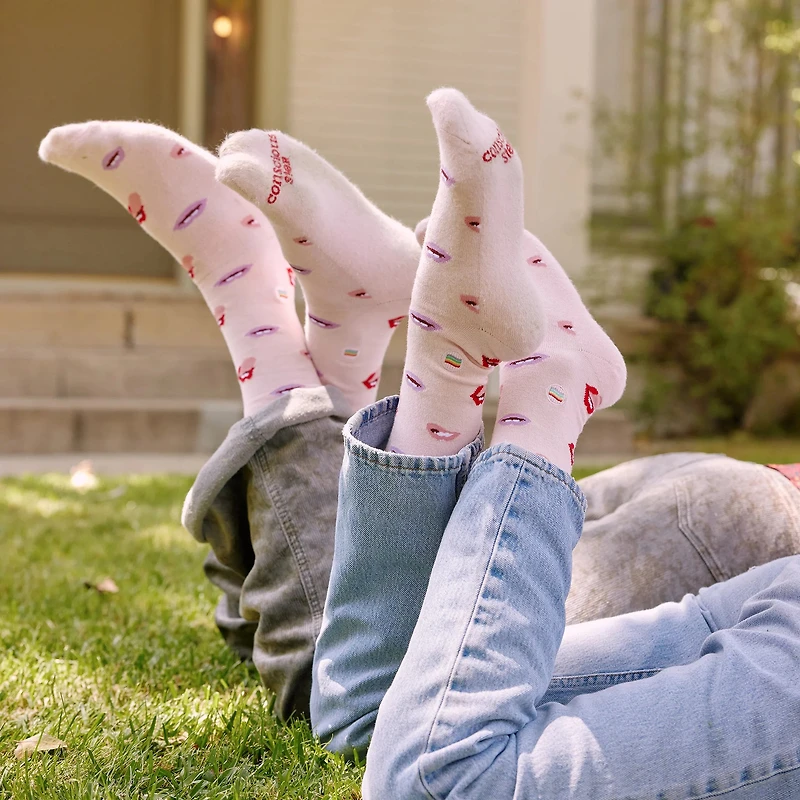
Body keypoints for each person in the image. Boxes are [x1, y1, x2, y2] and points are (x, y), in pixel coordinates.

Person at [40, 92, 800, 796]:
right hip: (745, 531)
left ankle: (331, 339)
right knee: (391, 697)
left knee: (372, 685)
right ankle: (401, 361)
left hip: (734, 507)